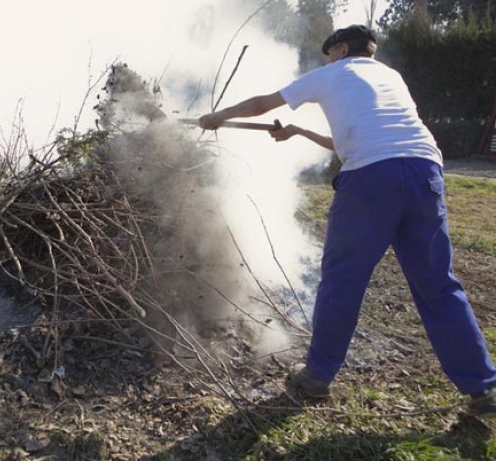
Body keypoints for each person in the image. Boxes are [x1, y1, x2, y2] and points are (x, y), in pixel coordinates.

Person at [198, 24, 496, 416]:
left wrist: (217, 117)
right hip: (425, 172)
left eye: (329, 54)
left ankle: (317, 376)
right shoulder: (391, 77)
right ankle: (483, 388)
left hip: (372, 180)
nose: (328, 60)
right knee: (439, 284)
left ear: (339, 49)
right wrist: (300, 131)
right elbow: (357, 137)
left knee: (343, 279)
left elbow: (261, 104)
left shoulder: (334, 72)